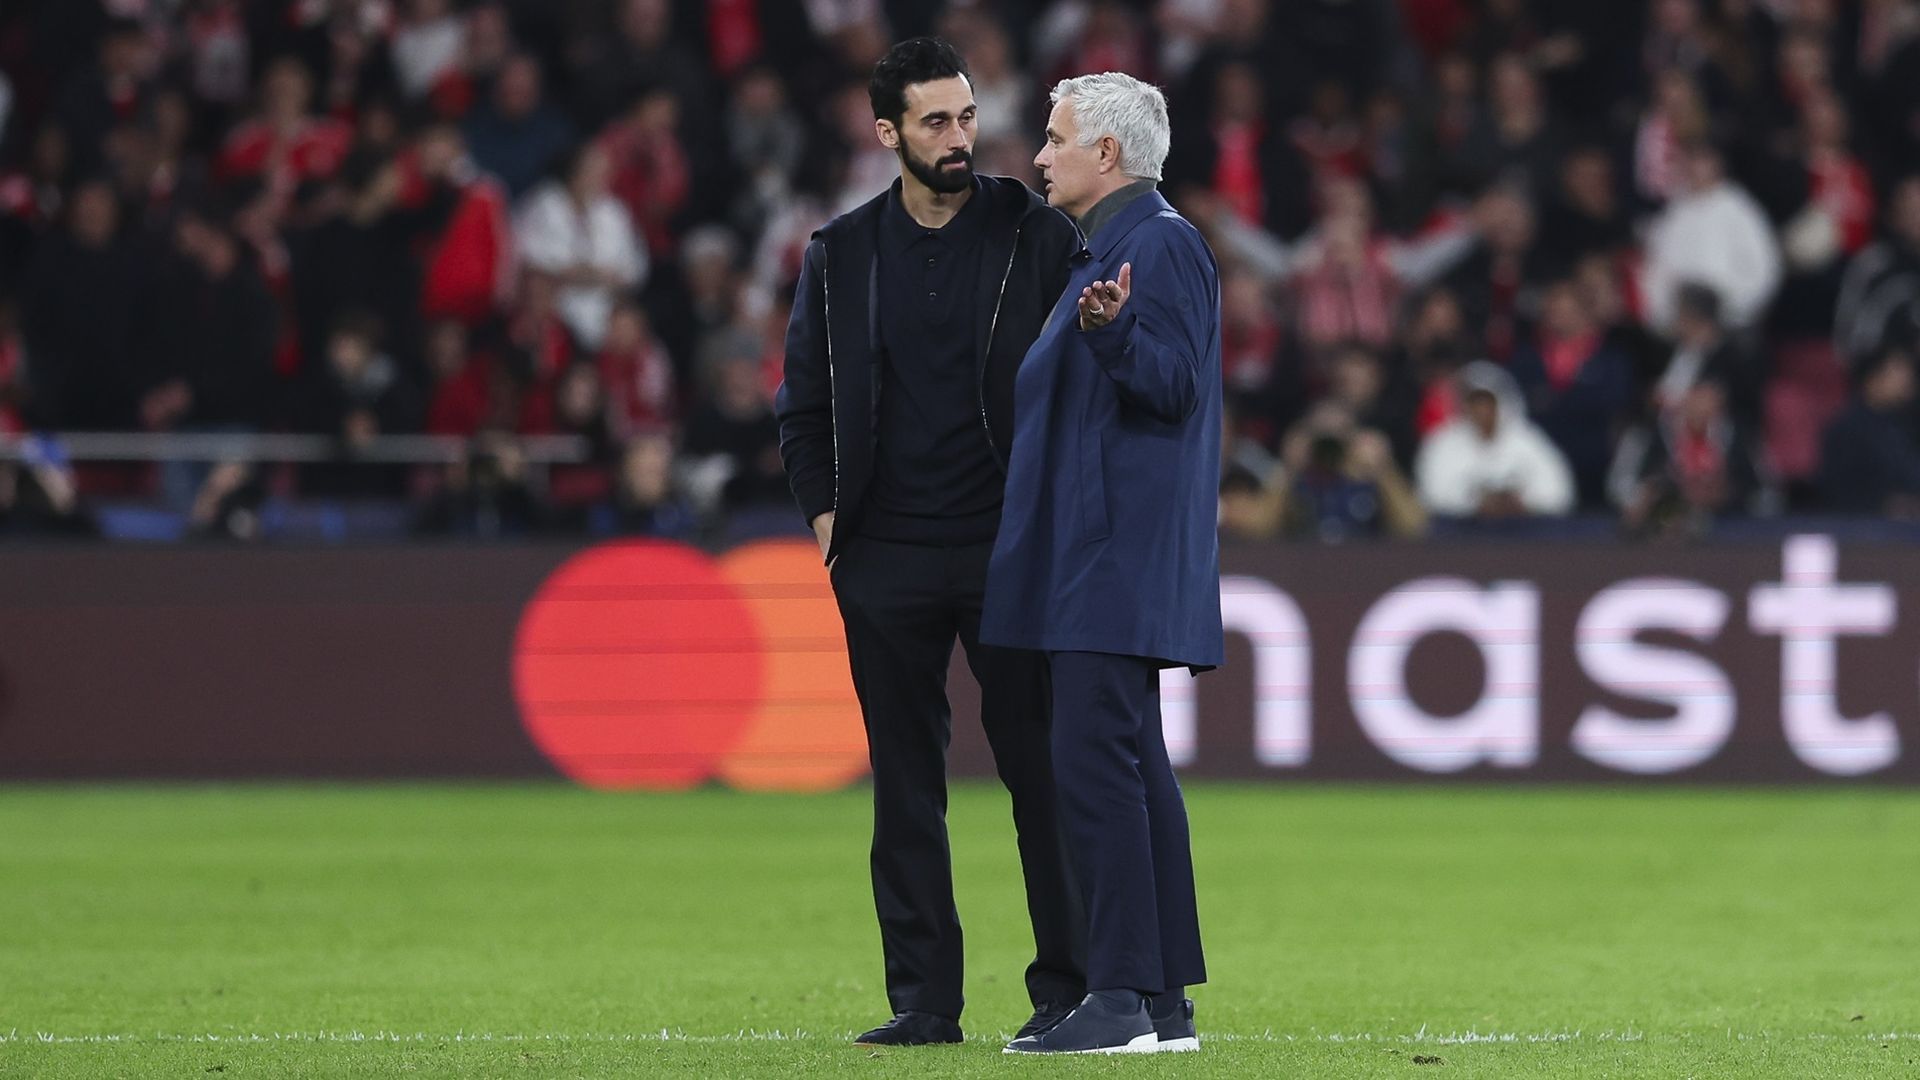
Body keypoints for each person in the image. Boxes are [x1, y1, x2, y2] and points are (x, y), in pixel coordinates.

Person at [773, 38, 1086, 1048]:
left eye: (967, 116)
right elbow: (802, 406)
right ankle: (924, 1002)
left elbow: (1083, 379)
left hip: (1009, 548)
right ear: (887, 132)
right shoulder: (842, 253)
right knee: (905, 788)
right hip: (888, 557)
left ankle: (1069, 989)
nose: (960, 137)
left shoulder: (1034, 232)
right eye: (936, 121)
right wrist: (832, 527)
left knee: (1040, 773)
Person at [985, 71, 1219, 1056]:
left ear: (1108, 154)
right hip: (1099, 548)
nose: (1040, 157)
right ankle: (1159, 1002)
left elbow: (1174, 384)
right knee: (1130, 765)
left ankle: (1117, 996)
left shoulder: (1158, 244)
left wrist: (1114, 331)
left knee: (1093, 767)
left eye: (1055, 139)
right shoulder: (1116, 248)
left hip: (1111, 552)